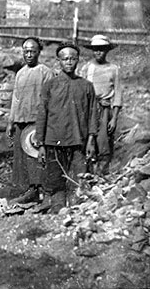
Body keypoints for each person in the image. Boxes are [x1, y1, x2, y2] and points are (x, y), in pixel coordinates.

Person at [35, 42, 98, 213]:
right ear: (59, 61)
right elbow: (42, 114)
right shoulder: (50, 85)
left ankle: (77, 213)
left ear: (78, 60)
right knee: (55, 180)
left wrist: (91, 139)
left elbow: (93, 114)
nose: (69, 62)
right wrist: (41, 144)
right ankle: (58, 212)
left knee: (79, 179)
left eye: (72, 58)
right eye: (65, 59)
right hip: (54, 142)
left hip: (79, 141)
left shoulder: (86, 86)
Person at [6, 37, 53, 203]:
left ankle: (40, 190)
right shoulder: (20, 73)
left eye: (33, 51)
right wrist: (11, 122)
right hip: (21, 121)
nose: (29, 55)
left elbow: (50, 100)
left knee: (36, 155)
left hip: (36, 122)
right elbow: (16, 99)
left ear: (39, 52)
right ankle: (26, 189)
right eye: (26, 51)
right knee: (21, 157)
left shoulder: (45, 72)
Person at [80, 35, 122, 176]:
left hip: (104, 110)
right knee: (87, 140)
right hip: (89, 109)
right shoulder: (87, 68)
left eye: (102, 50)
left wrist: (114, 118)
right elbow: (82, 90)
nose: (98, 53)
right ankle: (87, 175)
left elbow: (117, 94)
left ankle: (102, 175)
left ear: (107, 51)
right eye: (96, 50)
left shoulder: (113, 69)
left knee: (103, 142)